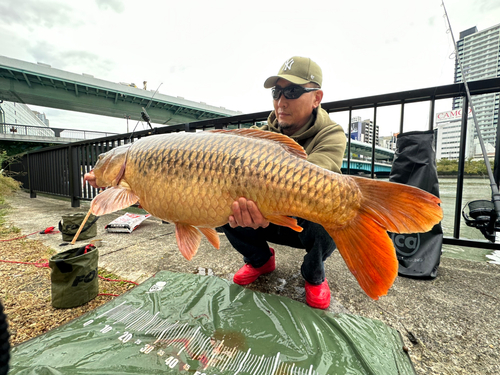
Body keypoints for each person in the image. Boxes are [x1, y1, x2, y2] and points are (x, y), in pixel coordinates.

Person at [222, 56, 347, 309]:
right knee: (224, 205)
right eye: (277, 92)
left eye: (292, 91)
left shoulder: (331, 134)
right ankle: (260, 261)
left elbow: (313, 180)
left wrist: (267, 200)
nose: (281, 101)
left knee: (329, 209)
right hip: (263, 217)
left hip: (302, 218)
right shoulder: (261, 134)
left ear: (316, 98)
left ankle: (314, 275)